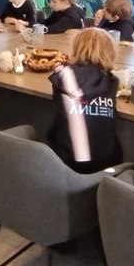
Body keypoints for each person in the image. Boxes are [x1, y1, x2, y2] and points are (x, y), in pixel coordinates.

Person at [48, 28, 122, 173]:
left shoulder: (64, 75)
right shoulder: (112, 81)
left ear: (76, 49)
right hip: (107, 166)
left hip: (66, 164)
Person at [16, 0, 85, 34]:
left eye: (55, 2)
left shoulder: (71, 16)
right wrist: (27, 24)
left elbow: (52, 29)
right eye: (51, 0)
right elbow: (46, 22)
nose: (51, 4)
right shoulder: (59, 10)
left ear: (66, 2)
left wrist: (27, 30)